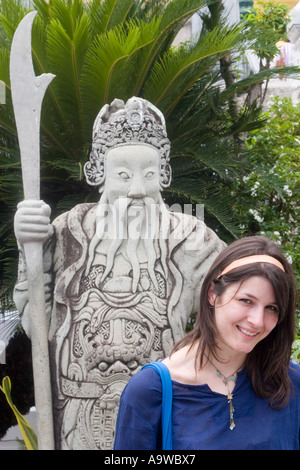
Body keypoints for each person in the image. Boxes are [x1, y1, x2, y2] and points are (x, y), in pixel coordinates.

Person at [13, 97, 225, 449]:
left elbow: (233, 311)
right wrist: (28, 245)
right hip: (77, 410)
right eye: (123, 176)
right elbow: (37, 321)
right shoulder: (69, 231)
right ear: (100, 175)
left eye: (149, 175)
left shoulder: (192, 240)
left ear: (164, 176)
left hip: (163, 409)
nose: (137, 189)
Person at [114, 235, 300, 450]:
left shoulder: (291, 384)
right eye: (246, 301)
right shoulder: (150, 391)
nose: (257, 321)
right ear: (213, 294)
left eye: (272, 308)